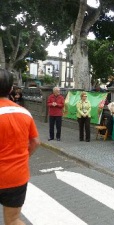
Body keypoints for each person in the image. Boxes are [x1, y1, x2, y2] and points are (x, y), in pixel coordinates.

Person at [0, 69, 40, 225]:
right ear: (10, 89)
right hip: (17, 176)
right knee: (13, 220)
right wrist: (24, 157)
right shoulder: (24, 112)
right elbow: (36, 142)